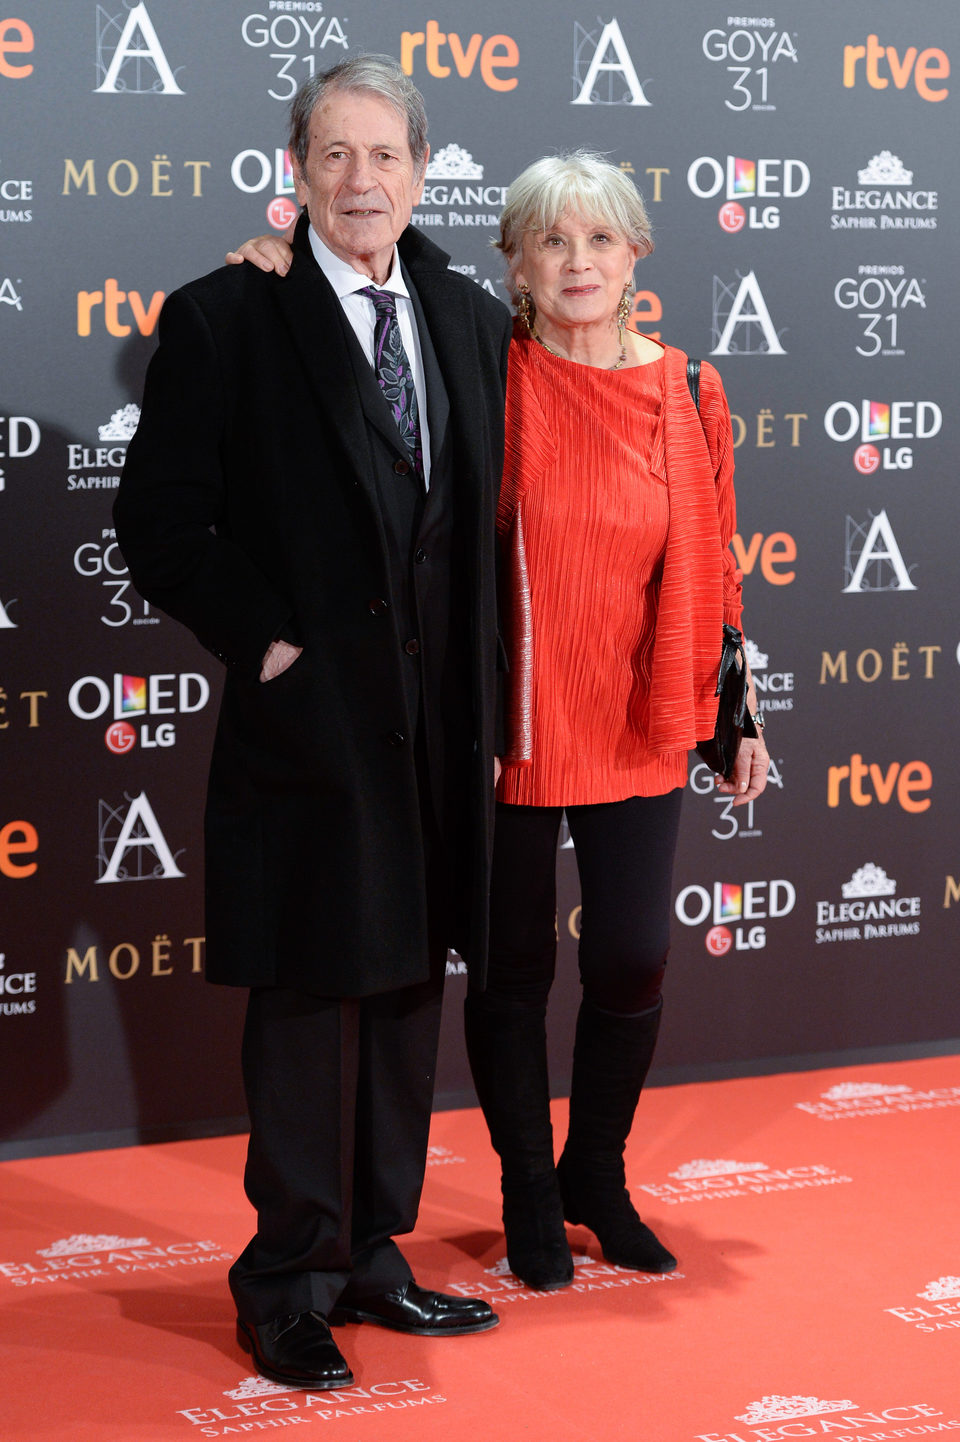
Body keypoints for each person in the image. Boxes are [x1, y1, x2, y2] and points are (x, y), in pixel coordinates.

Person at [228, 151, 769, 1295]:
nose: (579, 263)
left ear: (637, 257)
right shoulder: (484, 370)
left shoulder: (691, 391)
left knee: (630, 955)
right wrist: (280, 263)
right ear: (513, 261)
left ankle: (597, 1176)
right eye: (552, 241)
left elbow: (716, 572)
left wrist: (739, 715)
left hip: (638, 715)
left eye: (601, 240)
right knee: (513, 967)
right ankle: (529, 1185)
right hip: (509, 721)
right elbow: (365, 294)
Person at [114, 56, 511, 1391]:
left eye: (385, 154)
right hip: (308, 733)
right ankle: (285, 1277)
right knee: (307, 1009)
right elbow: (159, 520)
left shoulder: (464, 317)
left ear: (419, 168)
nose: (361, 181)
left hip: (437, 733)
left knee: (403, 999)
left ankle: (371, 1261)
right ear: (292, 171)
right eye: (332, 155)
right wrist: (268, 640)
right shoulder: (227, 316)